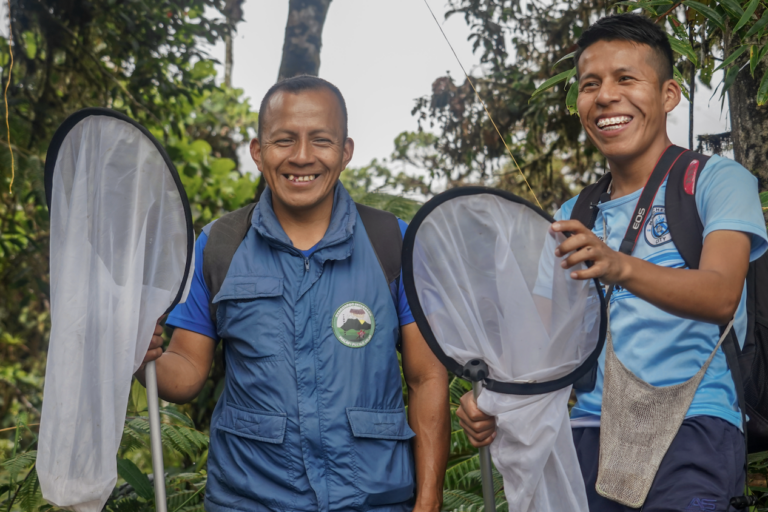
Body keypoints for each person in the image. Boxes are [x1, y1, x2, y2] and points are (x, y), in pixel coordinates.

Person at [457, 13, 768, 511]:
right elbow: (541, 344)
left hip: (694, 426)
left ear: (668, 94)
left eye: (626, 78)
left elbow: (720, 295)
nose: (604, 96)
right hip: (587, 431)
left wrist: (617, 266)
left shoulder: (714, 180)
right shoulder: (572, 213)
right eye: (589, 84)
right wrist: (489, 399)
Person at [136, 76, 450, 512]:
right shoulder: (219, 244)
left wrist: (429, 499)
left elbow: (426, 377)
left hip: (373, 501)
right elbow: (187, 370)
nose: (302, 156)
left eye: (320, 140)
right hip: (250, 500)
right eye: (284, 140)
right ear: (258, 151)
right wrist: (137, 352)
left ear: (345, 152)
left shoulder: (391, 243)